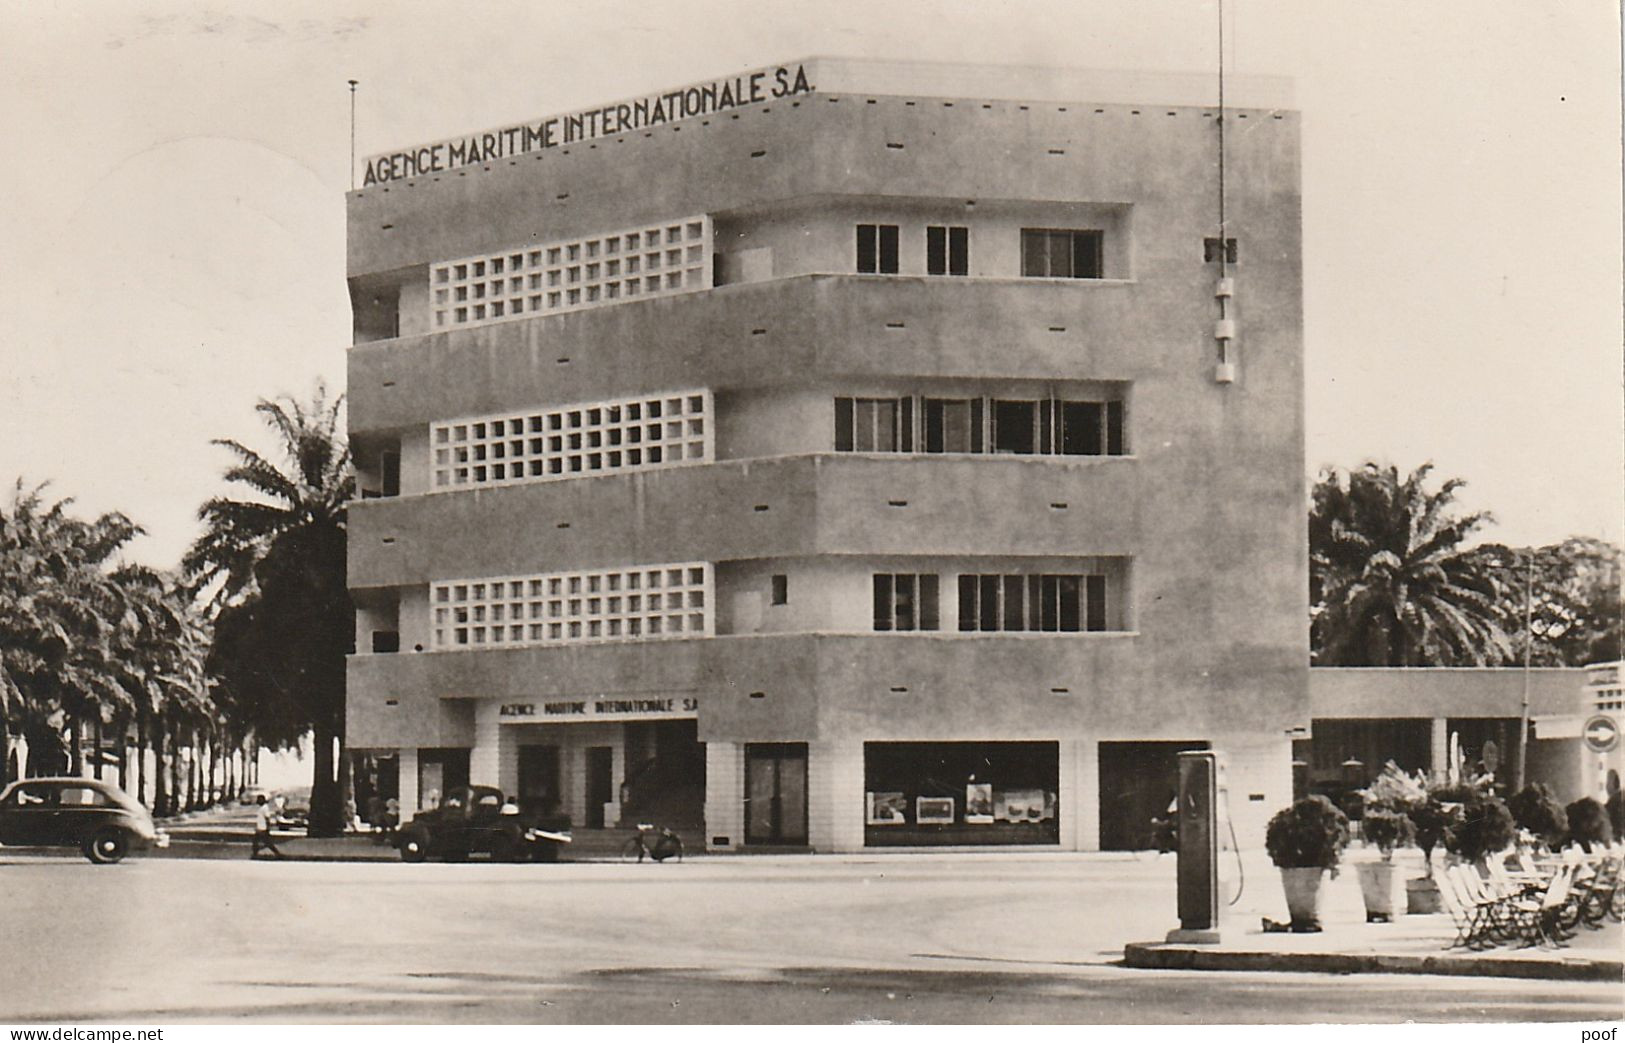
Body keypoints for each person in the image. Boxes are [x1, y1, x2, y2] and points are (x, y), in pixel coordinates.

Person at [251, 794, 283, 859]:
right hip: (260, 828)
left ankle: (277, 853)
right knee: (260, 842)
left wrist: (268, 828)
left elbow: (267, 818)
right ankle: (255, 854)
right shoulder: (262, 808)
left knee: (264, 842)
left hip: (263, 829)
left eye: (259, 800)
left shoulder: (265, 808)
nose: (257, 801)